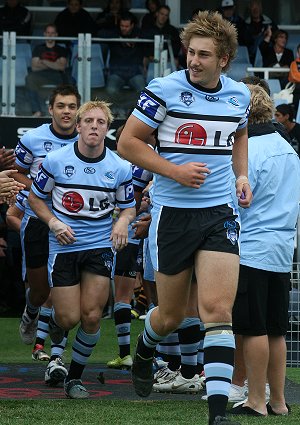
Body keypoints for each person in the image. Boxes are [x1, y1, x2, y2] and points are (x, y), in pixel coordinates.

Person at [117, 10, 252, 425]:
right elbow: (126, 143)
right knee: (172, 316)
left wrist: (241, 174)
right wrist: (174, 172)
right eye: (190, 52)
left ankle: (216, 414)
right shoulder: (163, 89)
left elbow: (240, 133)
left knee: (217, 310)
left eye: (204, 55)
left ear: (224, 59)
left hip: (220, 214)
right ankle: (144, 348)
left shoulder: (239, 96)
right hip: (173, 215)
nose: (193, 60)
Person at [28, 100, 136, 399]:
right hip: (64, 246)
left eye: (100, 122)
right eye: (88, 121)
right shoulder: (55, 160)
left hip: (99, 245)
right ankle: (55, 332)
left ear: (107, 129)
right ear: (78, 126)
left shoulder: (120, 167)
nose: (94, 127)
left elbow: (128, 207)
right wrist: (53, 223)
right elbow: (35, 199)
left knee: (91, 316)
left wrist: (122, 223)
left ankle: (74, 378)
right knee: (68, 318)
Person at [228, 84, 300, 416]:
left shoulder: (249, 152)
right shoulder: (288, 149)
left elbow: (235, 204)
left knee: (253, 327)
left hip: (253, 248)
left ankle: (256, 400)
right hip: (282, 249)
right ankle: (279, 402)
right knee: (275, 329)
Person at [14, 84, 81, 386]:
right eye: (61, 106)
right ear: (51, 109)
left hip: (70, 224)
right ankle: (31, 311)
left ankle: (56, 357)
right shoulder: (32, 139)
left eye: (71, 106)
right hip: (37, 222)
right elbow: (16, 172)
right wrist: (39, 194)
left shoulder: (87, 140)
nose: (66, 111)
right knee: (41, 292)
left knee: (63, 291)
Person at [103, 11, 146, 116]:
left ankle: (130, 110)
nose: (124, 28)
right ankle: (120, 109)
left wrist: (136, 37)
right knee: (110, 89)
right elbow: (100, 33)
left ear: (132, 26)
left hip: (135, 72)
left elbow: (151, 34)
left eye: (127, 26)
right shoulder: (114, 33)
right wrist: (120, 39)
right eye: (122, 26)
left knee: (143, 91)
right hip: (117, 72)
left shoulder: (139, 34)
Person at [25, 24, 70, 117]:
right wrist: (54, 64)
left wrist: (43, 61)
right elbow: (34, 67)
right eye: (48, 33)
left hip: (58, 76)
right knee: (29, 78)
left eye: (52, 33)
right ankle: (36, 111)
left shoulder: (61, 49)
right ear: (44, 34)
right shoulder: (38, 48)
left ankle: (66, 112)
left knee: (70, 80)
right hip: (41, 75)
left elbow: (61, 67)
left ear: (56, 34)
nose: (50, 35)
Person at [141, 5, 181, 69]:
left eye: (166, 15)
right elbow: (143, 46)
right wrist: (150, 56)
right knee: (144, 60)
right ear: (157, 14)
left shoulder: (172, 30)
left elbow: (177, 46)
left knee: (175, 61)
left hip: (167, 59)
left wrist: (167, 57)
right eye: (162, 14)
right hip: (151, 58)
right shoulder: (148, 29)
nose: (163, 17)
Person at [244, 0, 278, 65]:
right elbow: (244, 42)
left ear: (261, 8)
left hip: (268, 55)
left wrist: (268, 35)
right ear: (250, 9)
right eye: (253, 8)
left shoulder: (269, 23)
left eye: (257, 7)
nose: (255, 10)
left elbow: (276, 38)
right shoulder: (245, 25)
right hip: (251, 56)